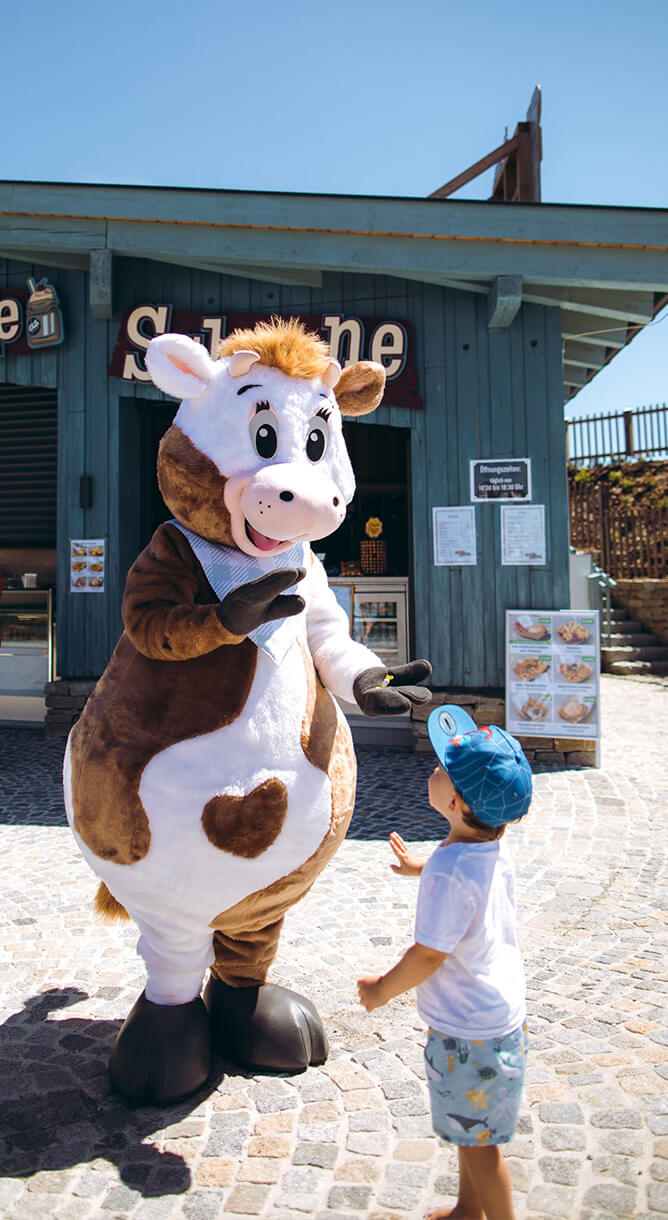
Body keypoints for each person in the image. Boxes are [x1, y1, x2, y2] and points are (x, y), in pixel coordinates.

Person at [357, 705, 532, 1220]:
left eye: (440, 769)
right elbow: (465, 875)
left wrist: (382, 989)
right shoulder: (489, 851)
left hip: (467, 1032)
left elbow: (429, 953)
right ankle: (465, 1211)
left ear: (454, 800)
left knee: (480, 1147)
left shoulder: (448, 874)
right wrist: (425, 863)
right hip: (499, 1020)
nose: (431, 770)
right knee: (468, 1126)